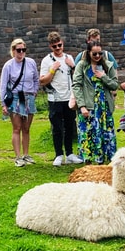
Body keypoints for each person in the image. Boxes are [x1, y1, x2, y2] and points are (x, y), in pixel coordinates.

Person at [72, 40, 119, 164]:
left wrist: (103, 76)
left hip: (104, 107)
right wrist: (81, 106)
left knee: (105, 134)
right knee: (88, 134)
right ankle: (88, 163)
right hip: (88, 106)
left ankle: (104, 162)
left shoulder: (108, 65)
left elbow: (115, 85)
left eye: (100, 53)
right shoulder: (82, 65)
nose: (98, 56)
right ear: (89, 53)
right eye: (94, 54)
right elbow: (76, 86)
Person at [40, 31, 83, 166]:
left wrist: (73, 66)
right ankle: (59, 154)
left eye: (59, 45)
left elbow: (77, 77)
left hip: (68, 97)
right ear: (50, 47)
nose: (58, 49)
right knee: (57, 127)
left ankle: (70, 153)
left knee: (70, 125)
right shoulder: (47, 60)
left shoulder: (68, 57)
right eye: (55, 46)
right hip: (55, 98)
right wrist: (52, 70)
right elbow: (42, 81)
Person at [0, 38, 40, 167]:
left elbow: (36, 79)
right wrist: (3, 103)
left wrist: (34, 91)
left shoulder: (31, 62)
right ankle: (18, 157)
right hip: (16, 97)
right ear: (13, 51)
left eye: (23, 50)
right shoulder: (8, 65)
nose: (21, 52)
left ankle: (26, 154)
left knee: (26, 128)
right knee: (17, 128)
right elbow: (3, 84)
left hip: (28, 97)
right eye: (19, 50)